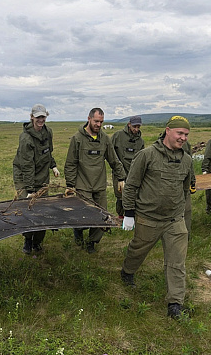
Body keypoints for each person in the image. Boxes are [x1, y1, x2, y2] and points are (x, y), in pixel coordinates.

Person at [119, 116, 195, 319]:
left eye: (186, 135)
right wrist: (129, 213)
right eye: (180, 133)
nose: (183, 138)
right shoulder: (147, 155)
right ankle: (127, 272)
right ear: (168, 131)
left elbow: (186, 189)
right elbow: (131, 185)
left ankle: (175, 304)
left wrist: (181, 213)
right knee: (138, 250)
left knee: (177, 262)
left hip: (174, 220)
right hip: (148, 218)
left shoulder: (187, 160)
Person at [64, 107, 126, 254]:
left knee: (102, 216)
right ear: (89, 119)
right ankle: (78, 231)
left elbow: (114, 160)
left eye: (101, 122)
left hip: (99, 185)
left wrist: (121, 177)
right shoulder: (77, 139)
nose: (99, 125)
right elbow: (71, 163)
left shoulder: (105, 139)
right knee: (84, 216)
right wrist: (70, 185)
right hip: (83, 185)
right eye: (96, 121)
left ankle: (92, 242)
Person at [12, 104, 60, 254]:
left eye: (43, 117)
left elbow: (48, 152)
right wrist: (30, 190)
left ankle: (38, 242)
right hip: (24, 176)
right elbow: (27, 166)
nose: (41, 120)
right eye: (38, 117)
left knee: (42, 208)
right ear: (32, 117)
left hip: (42, 174)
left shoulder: (48, 132)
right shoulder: (25, 138)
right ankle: (27, 240)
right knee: (28, 208)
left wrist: (53, 166)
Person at [110, 115, 145, 220]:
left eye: (138, 127)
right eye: (134, 126)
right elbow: (110, 152)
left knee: (133, 195)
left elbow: (142, 158)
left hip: (134, 173)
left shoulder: (140, 141)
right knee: (120, 195)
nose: (136, 129)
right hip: (119, 172)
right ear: (129, 124)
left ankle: (132, 216)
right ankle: (121, 216)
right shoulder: (118, 136)